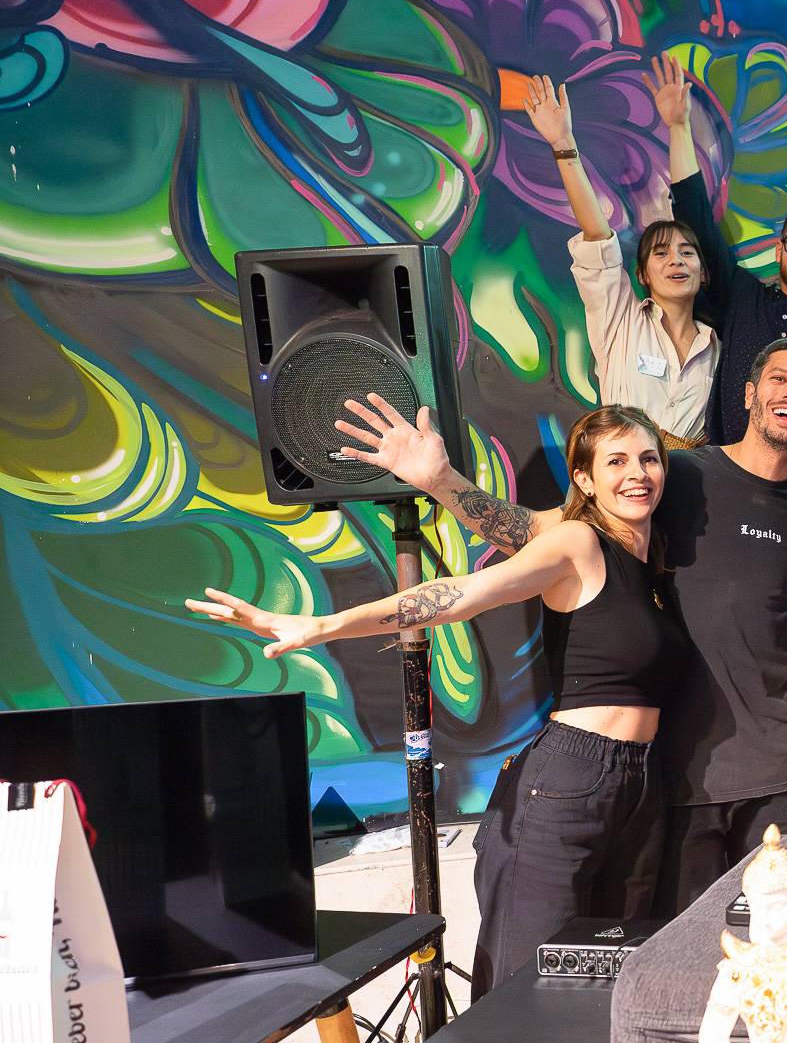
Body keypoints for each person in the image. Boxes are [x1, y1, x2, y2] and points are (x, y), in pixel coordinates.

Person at [332, 338, 787, 916]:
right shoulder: (676, 475)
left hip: (779, 771)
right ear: (748, 394)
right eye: (779, 378)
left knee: (781, 941)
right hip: (676, 774)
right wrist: (438, 480)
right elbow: (531, 533)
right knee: (677, 950)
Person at [190, 405, 687, 994]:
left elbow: (517, 525)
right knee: (527, 977)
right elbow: (463, 593)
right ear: (585, 479)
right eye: (617, 461)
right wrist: (325, 626)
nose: (637, 474)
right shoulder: (579, 541)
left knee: (614, 971)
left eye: (648, 459)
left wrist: (439, 480)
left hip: (641, 780)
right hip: (574, 773)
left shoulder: (649, 555)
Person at [651, 54, 787, 476]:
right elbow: (694, 216)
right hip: (722, 478)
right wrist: (678, 126)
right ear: (779, 251)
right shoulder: (743, 296)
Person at [525, 75, 718, 442]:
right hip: (618, 470)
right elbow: (597, 235)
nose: (676, 261)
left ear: (703, 273)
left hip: (688, 477)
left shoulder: (717, 348)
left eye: (686, 253)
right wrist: (563, 144)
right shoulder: (620, 319)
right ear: (642, 275)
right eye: (661, 253)